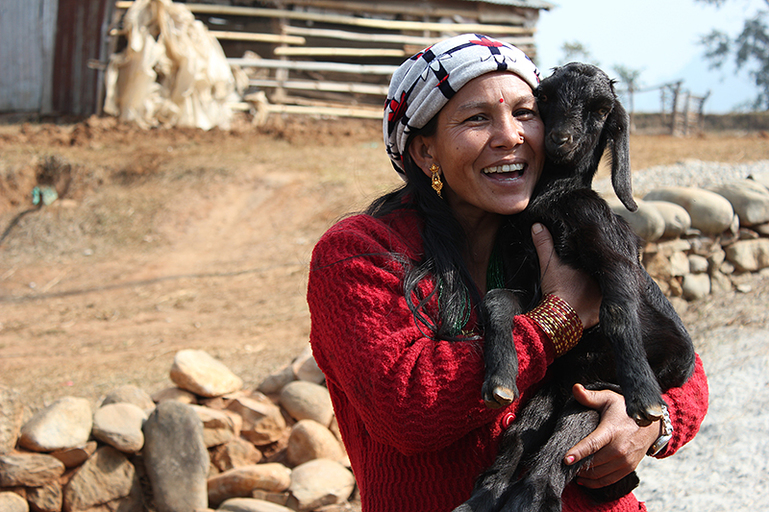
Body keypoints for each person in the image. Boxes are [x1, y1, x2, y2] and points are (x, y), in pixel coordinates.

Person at [307, 34, 708, 512]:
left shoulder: (554, 225)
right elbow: (409, 409)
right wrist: (558, 318)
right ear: (424, 152)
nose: (510, 135)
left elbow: (682, 361)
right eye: (478, 118)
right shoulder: (359, 254)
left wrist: (652, 425)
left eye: (525, 113)